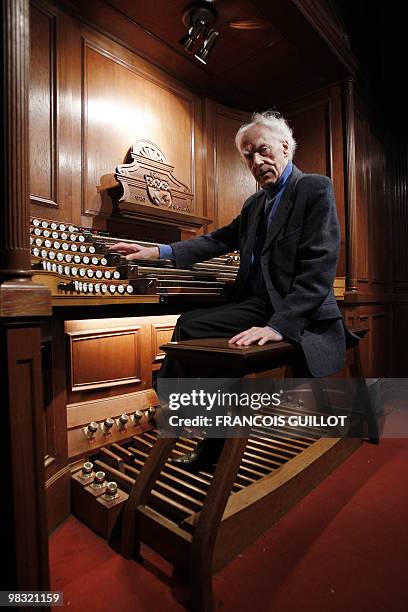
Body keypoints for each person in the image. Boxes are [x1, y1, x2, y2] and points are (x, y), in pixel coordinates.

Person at [110, 110, 347, 469]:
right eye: (249, 155)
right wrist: (158, 252)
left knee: (209, 343)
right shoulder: (255, 204)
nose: (257, 161)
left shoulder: (314, 188)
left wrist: (278, 327)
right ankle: (176, 406)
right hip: (257, 303)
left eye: (263, 150)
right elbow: (220, 239)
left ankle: (203, 439)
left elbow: (318, 270)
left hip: (298, 312)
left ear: (285, 147)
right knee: (190, 323)